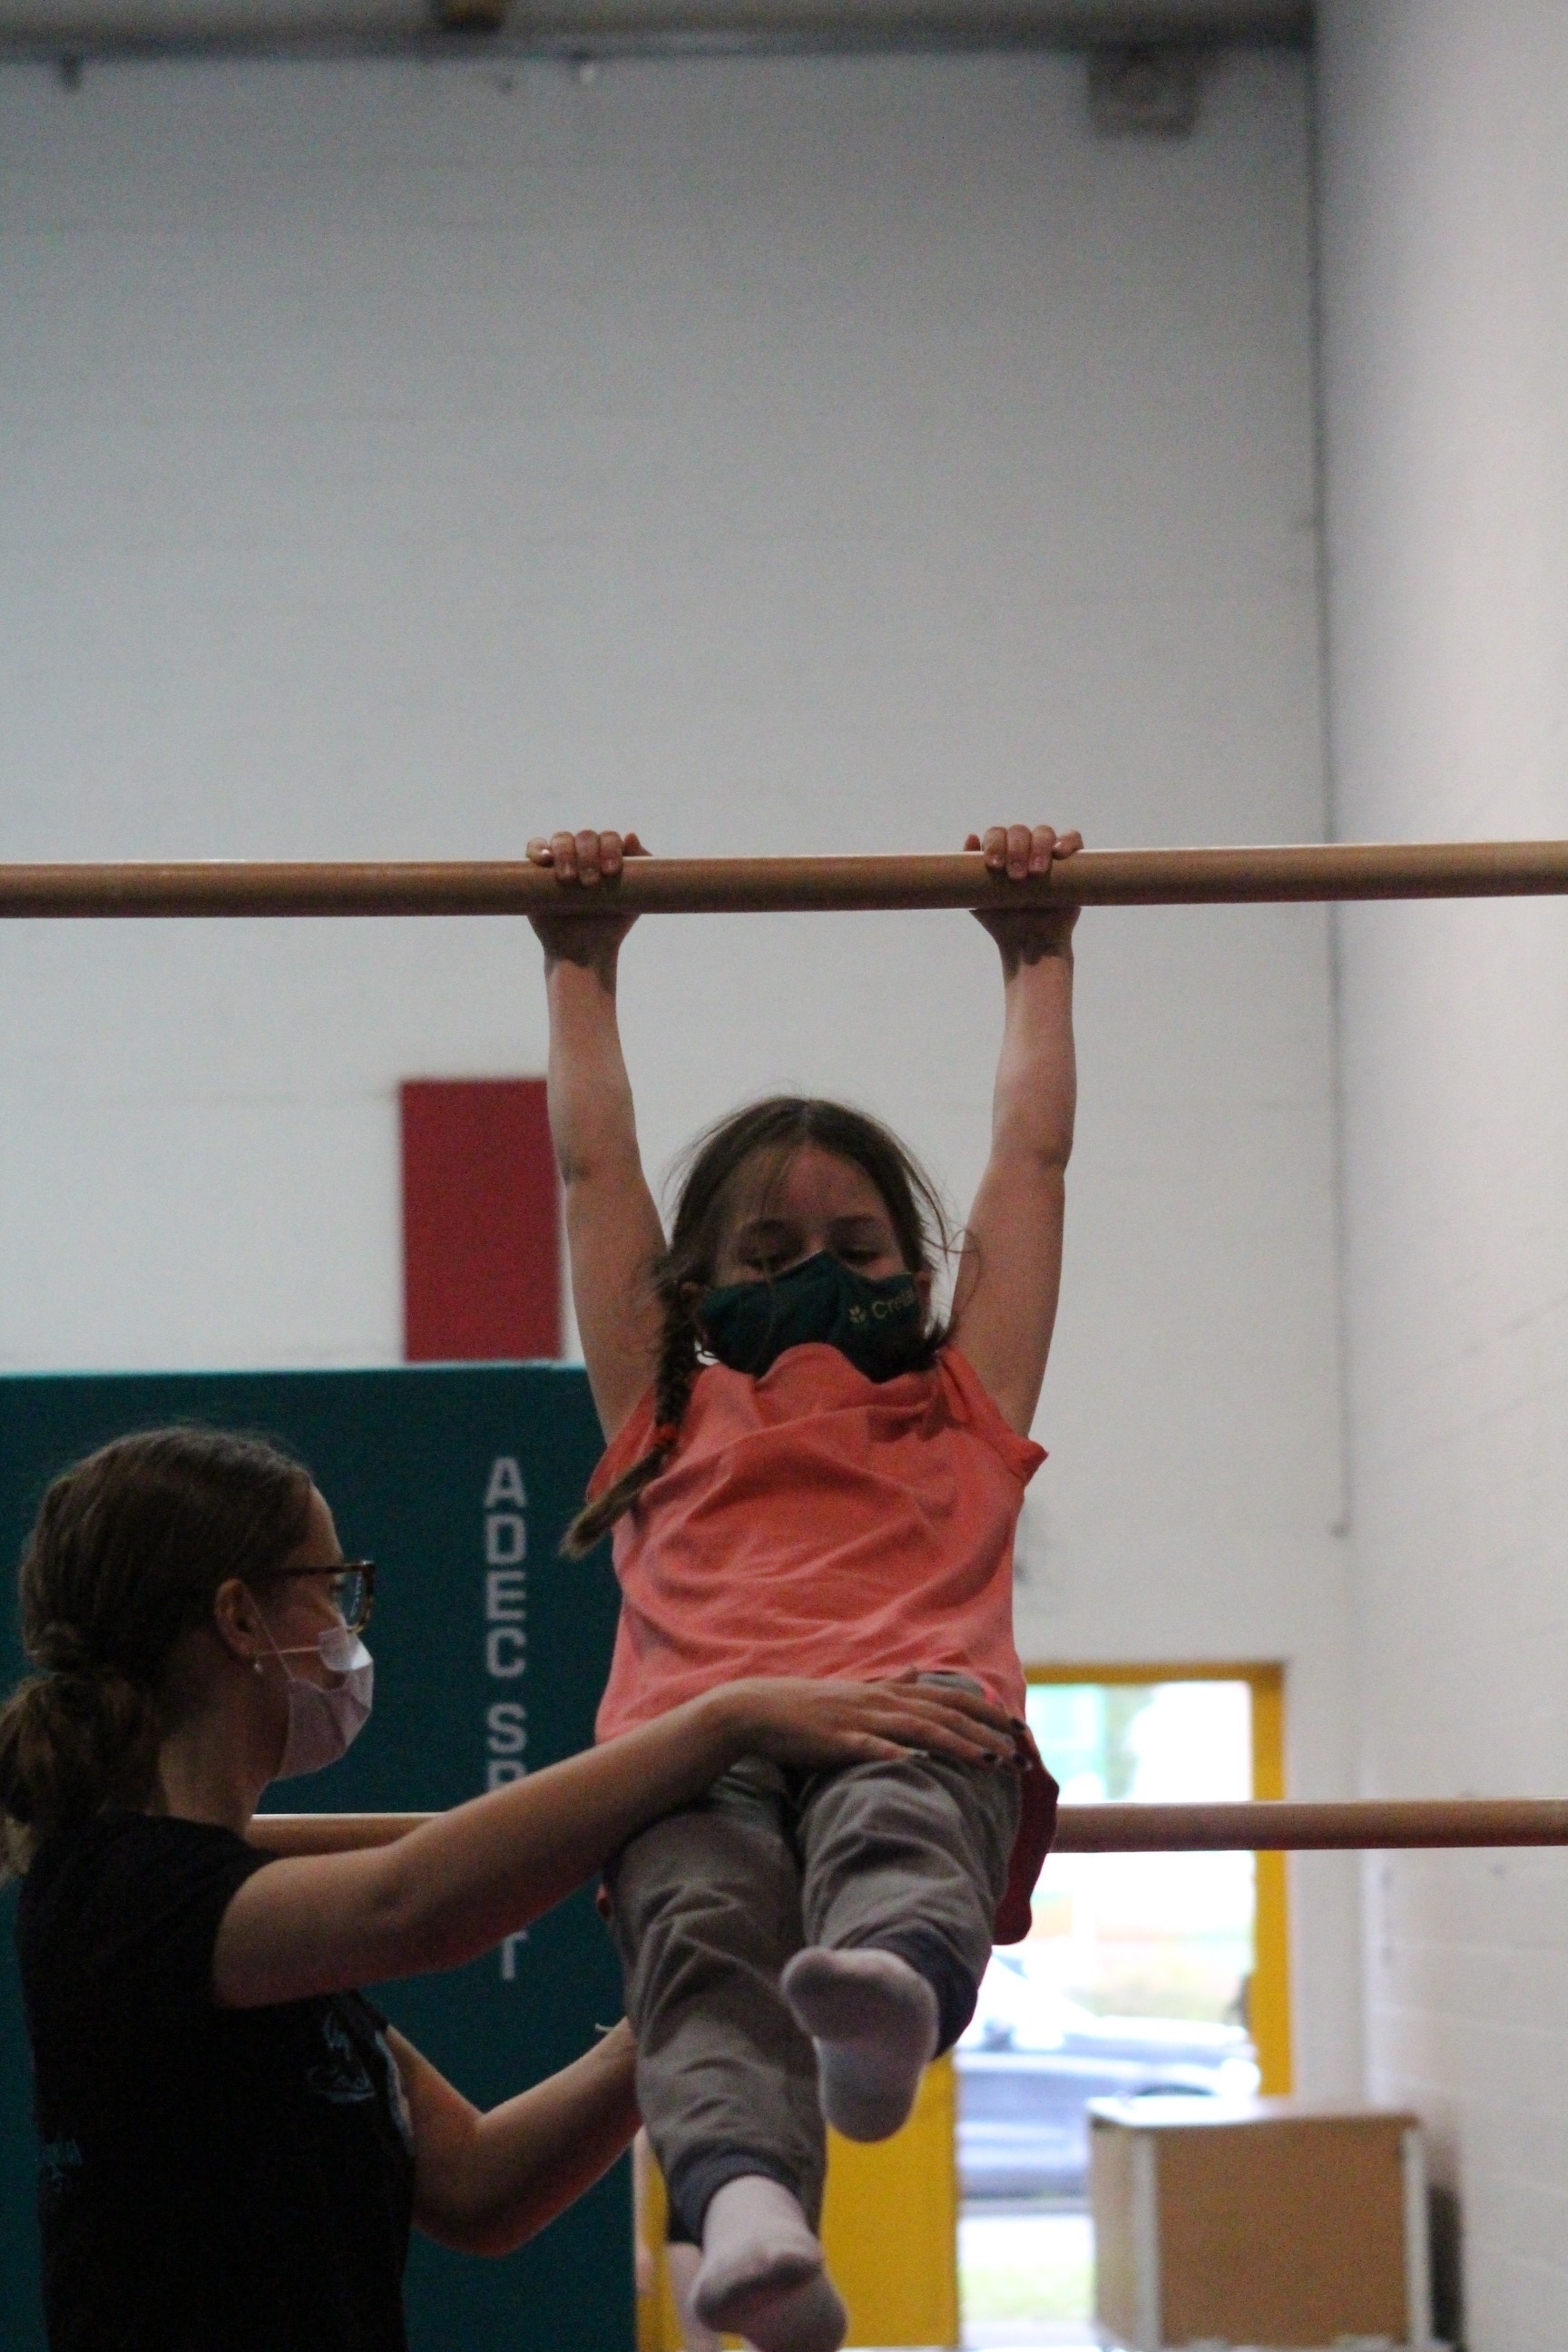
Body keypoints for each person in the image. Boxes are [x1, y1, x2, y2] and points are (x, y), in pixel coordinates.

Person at [0, 1422, 1015, 2352]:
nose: (348, 1621)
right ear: (238, 1618)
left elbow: (481, 2187)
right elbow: (413, 1906)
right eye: (331, 1587)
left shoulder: (257, 1937)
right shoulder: (116, 1898)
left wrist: (700, 1986)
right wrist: (726, 1720)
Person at [526, 819, 1080, 2352]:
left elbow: (1030, 1160)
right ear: (697, 1288)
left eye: (855, 1245)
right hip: (691, 1751)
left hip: (908, 1717)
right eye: (768, 1251)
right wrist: (579, 963)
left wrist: (1037, 953)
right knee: (699, 1936)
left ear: (922, 1271)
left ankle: (887, 1994)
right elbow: (591, 1169)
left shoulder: (959, 1404)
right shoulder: (664, 1410)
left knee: (899, 1823)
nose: (816, 1271)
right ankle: (752, 2214)